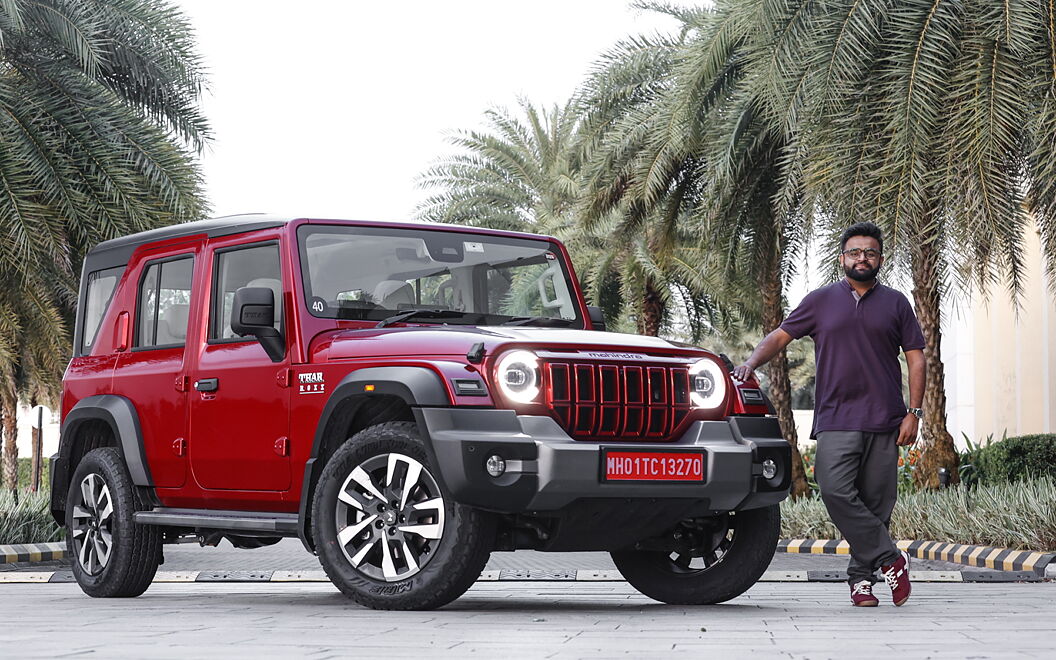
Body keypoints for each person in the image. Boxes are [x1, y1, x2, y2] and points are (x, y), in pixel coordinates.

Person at [732, 222, 926, 607]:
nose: (862, 258)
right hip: (836, 417)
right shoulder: (821, 300)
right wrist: (751, 363)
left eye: (870, 252)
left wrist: (914, 413)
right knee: (835, 489)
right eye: (854, 252)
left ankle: (861, 581)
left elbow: (917, 360)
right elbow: (781, 336)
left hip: (885, 418)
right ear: (842, 258)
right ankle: (890, 558)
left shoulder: (896, 303)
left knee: (876, 504)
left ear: (880, 259)